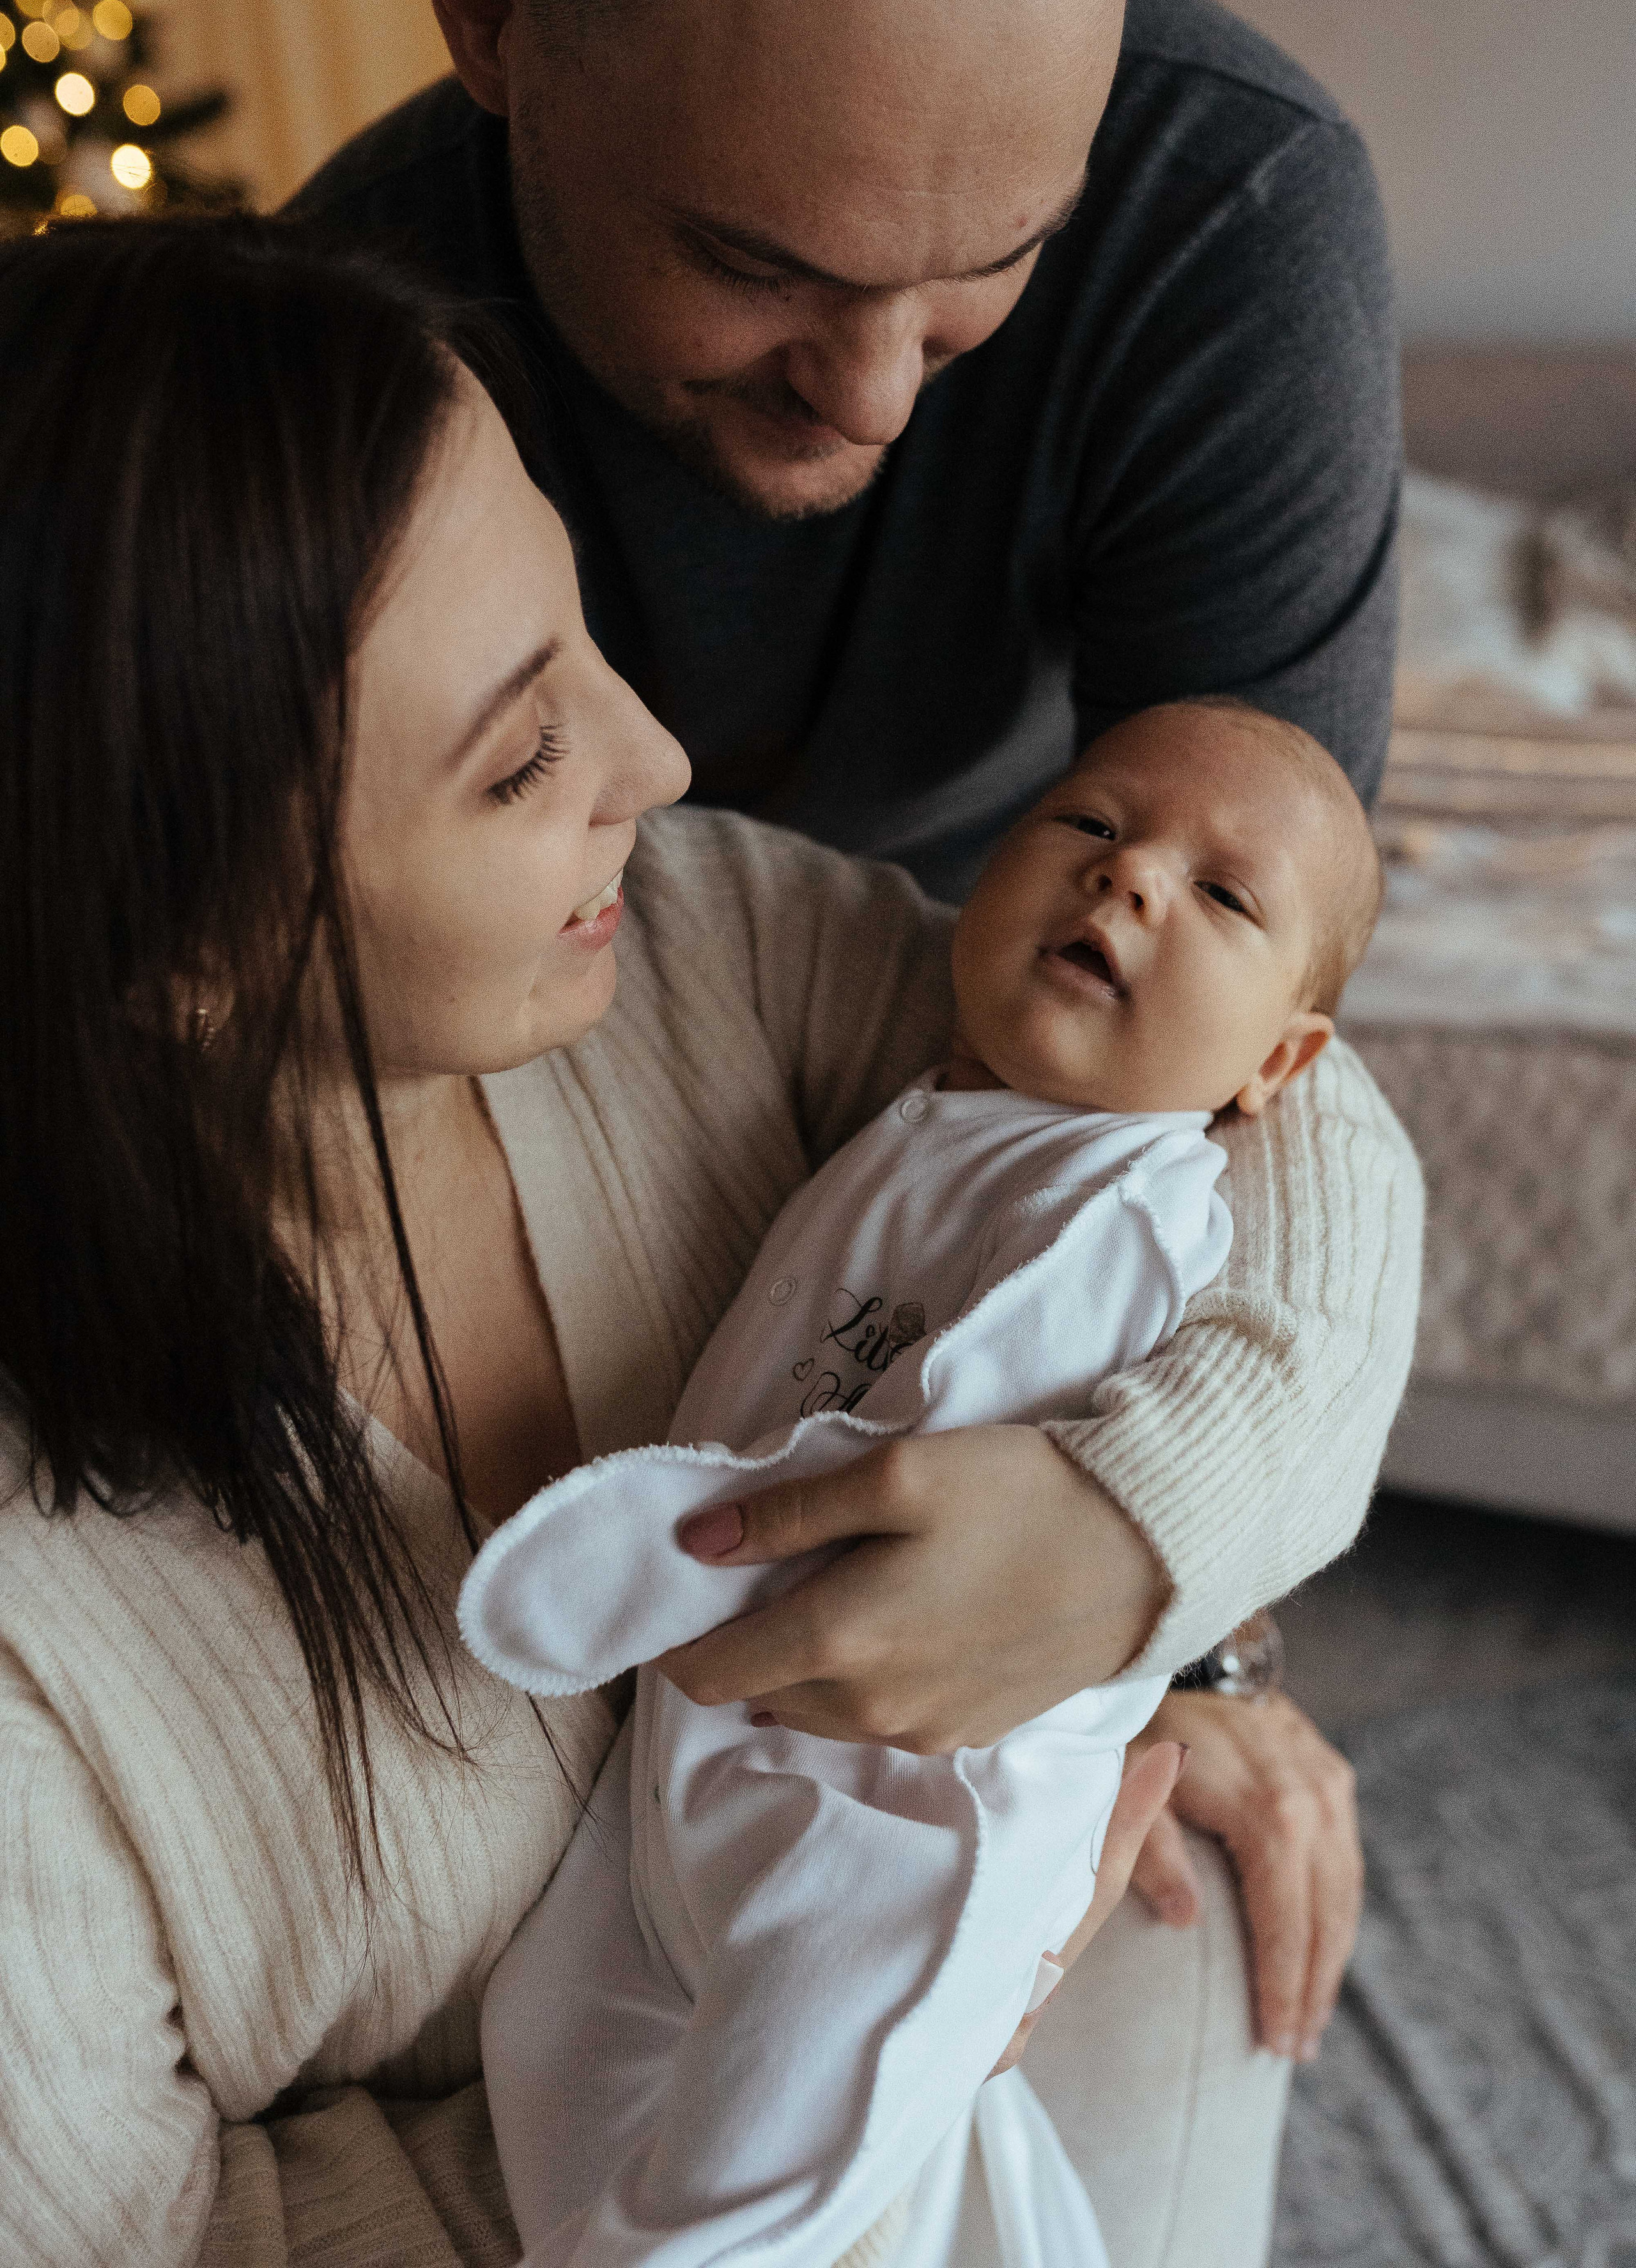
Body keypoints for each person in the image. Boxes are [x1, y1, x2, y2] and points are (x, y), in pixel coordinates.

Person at [0, 216, 1419, 2268]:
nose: (655, 762)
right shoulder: (49, 1678)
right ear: (181, 946)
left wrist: (1135, 1541)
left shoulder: (696, 950)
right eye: (517, 758)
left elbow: (1291, 1127)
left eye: (577, 626)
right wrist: (795, 2097)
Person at [289, 0, 1403, 2154]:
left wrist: (1154, 1574)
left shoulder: (1230, 218)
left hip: (1010, 1094)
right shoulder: (335, 365)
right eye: (755, 265)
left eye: (991, 268)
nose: (882, 399)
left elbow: (1267, 1033)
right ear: (496, 14)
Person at [460, 701, 1385, 2268]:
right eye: (1087, 825)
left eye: (1220, 895)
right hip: (706, 1764)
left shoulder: (1131, 1206)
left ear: (1276, 1063)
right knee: (552, 2049)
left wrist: (637, 1561)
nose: (1128, 882)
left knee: (779, 2150)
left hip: (916, 1814)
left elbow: (917, 1469)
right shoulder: (930, 1119)